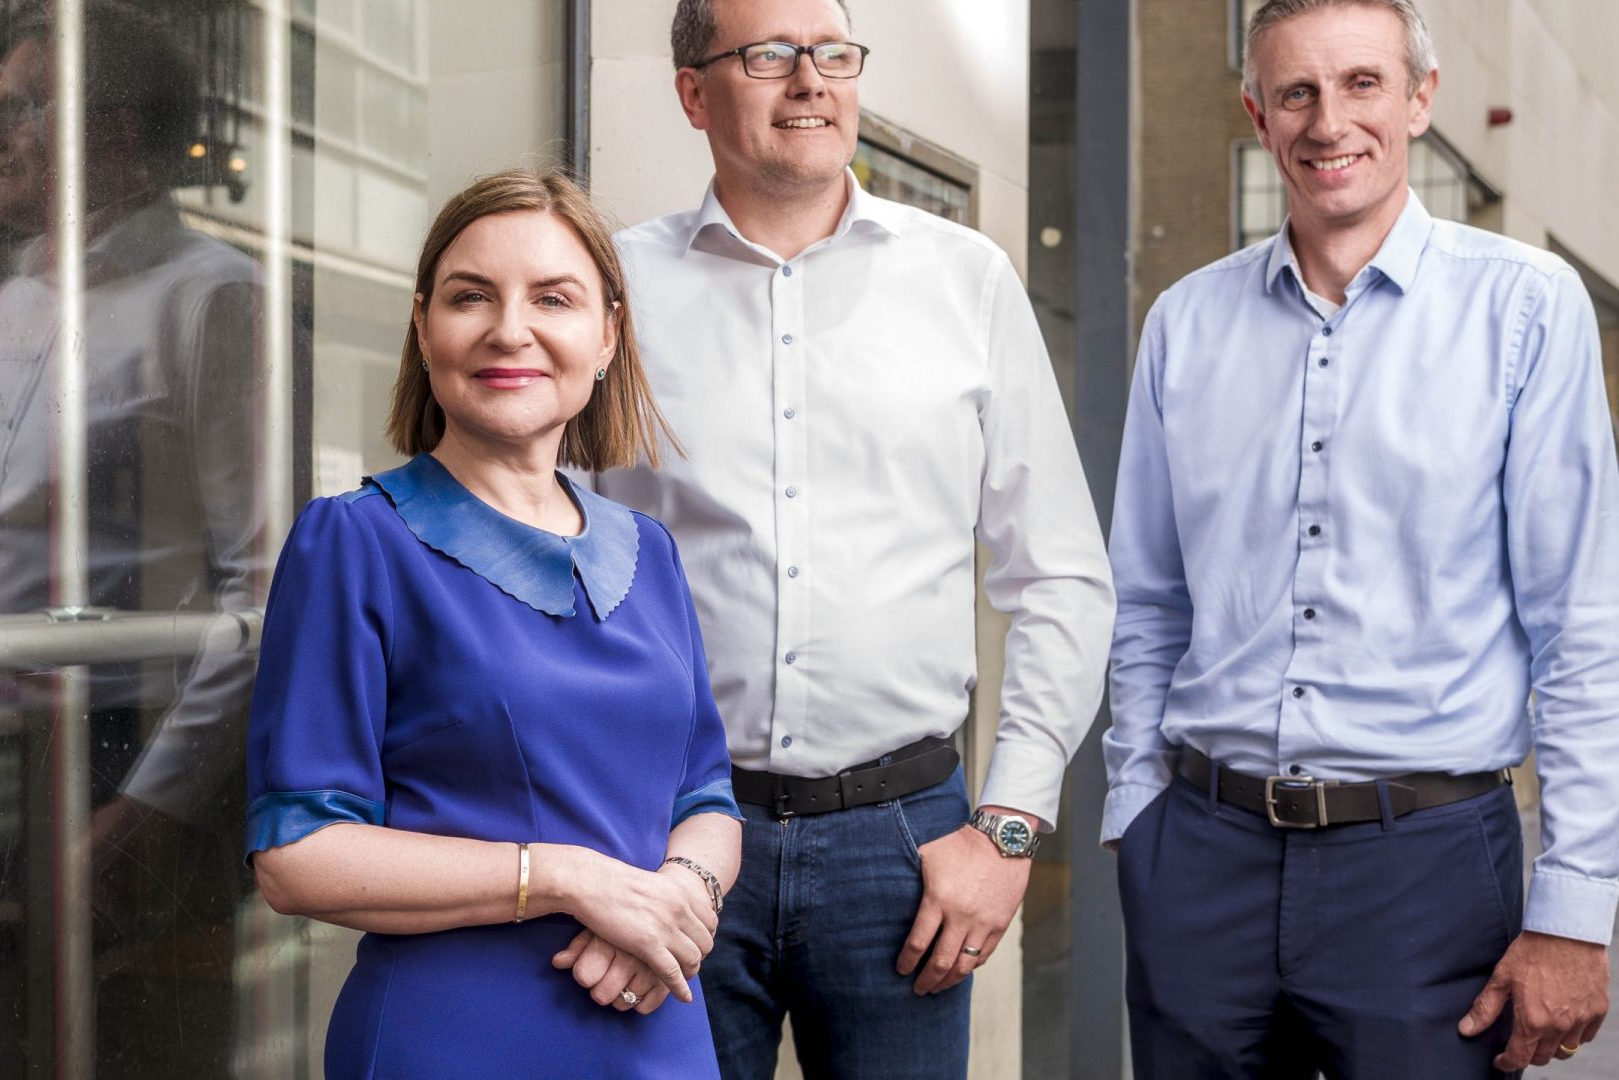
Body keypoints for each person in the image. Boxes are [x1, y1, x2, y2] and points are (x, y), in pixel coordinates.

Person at [593, 1, 1116, 1075]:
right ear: (693, 90)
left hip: (906, 842)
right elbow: (549, 553)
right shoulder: (614, 292)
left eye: (833, 55)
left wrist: (1010, 827)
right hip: (669, 829)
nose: (810, 82)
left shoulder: (966, 280)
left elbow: (1062, 575)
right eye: (769, 56)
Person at [1103, 1, 1618, 1076]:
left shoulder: (1526, 310)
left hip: (1426, 873)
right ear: (1255, 112)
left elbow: (1582, 629)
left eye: (1362, 85)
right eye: (1295, 92)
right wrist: (1137, 816)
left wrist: (1576, 909)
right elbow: (1148, 600)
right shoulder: (1184, 326)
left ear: (1421, 99)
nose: (1327, 120)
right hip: (1201, 859)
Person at [246, 169, 742, 1079]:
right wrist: (570, 878)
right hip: (455, 1039)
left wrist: (675, 897)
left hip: (656, 1020)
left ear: (607, 336)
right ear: (425, 327)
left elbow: (705, 796)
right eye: (471, 296)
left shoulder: (652, 551)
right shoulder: (355, 543)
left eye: (553, 298)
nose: (510, 329)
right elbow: (297, 854)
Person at [0, 3, 266, 1071]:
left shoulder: (209, 296)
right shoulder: (11, 300)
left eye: (19, 105)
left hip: (135, 749)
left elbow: (264, 584)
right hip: (9, 756)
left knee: (141, 1051)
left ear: (111, 129)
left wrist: (151, 808)